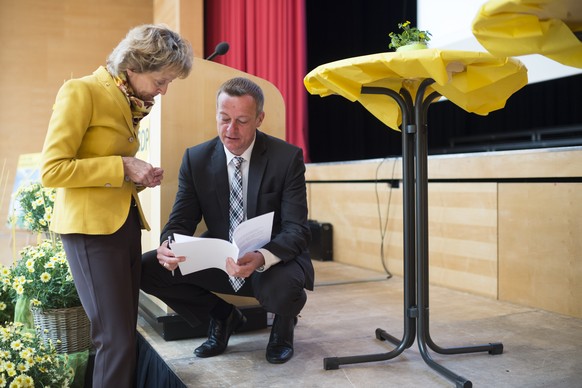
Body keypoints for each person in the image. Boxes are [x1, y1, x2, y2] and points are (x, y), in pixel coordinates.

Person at [40, 24, 193, 387]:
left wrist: (134, 176)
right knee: (115, 339)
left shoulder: (129, 101)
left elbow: (100, 166)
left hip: (122, 223)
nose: (164, 90)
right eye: (161, 80)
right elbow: (52, 170)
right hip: (89, 230)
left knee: (124, 334)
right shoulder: (82, 91)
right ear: (136, 64)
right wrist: (122, 166)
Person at [141, 76, 314, 364]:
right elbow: (180, 221)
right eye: (224, 119)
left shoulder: (286, 158)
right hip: (222, 256)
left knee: (283, 289)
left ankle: (284, 323)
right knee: (148, 269)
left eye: (242, 121)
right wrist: (168, 247)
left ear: (259, 119)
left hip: (271, 259)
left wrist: (261, 257)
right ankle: (223, 316)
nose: (230, 130)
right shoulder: (196, 159)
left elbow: (298, 230)